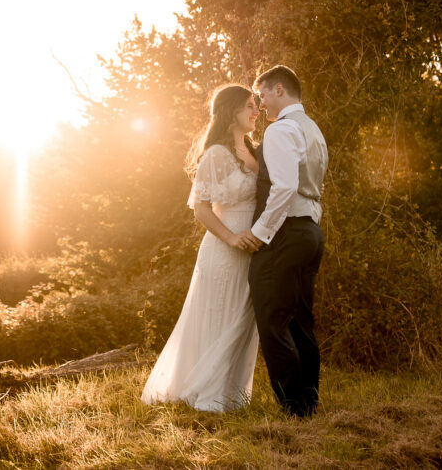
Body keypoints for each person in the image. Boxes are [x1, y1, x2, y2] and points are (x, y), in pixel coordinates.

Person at [140, 84, 262, 412]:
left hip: (255, 251)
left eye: (256, 105)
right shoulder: (215, 155)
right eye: (250, 105)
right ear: (230, 111)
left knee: (243, 318)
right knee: (220, 315)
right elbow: (202, 208)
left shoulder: (255, 151)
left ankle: (233, 394)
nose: (256, 111)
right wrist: (233, 238)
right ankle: (208, 394)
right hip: (224, 249)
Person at [242, 65, 328, 418]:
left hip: (285, 234)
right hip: (311, 232)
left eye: (261, 96)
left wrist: (260, 233)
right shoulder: (313, 129)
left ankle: (293, 407)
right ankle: (308, 401)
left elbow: (285, 188)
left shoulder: (281, 130)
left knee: (272, 318)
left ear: (279, 89)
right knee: (300, 321)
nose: (260, 105)